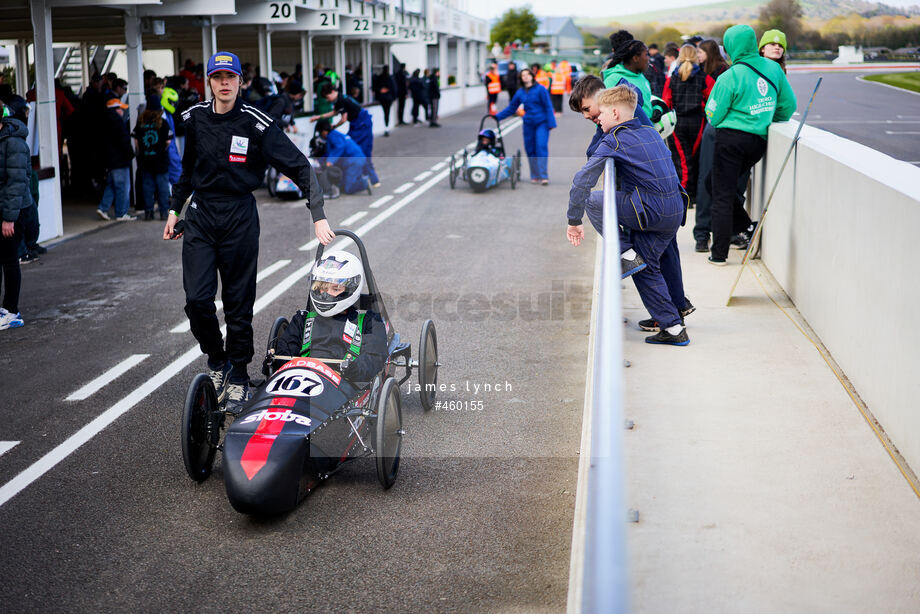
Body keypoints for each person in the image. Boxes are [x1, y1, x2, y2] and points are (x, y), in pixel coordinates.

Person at [163, 51, 333, 413]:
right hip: (202, 215)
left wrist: (317, 214)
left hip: (239, 216)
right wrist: (176, 210)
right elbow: (187, 171)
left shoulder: (257, 123)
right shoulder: (193, 119)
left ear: (241, 82)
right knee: (197, 301)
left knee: (238, 305)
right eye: (217, 76)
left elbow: (300, 166)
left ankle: (239, 375)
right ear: (208, 82)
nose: (224, 83)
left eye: (231, 76)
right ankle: (218, 360)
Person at [567, 86, 690, 346]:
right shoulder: (650, 131)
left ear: (614, 112)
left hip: (652, 212)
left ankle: (624, 253)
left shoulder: (615, 139)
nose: (598, 118)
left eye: (601, 114)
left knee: (593, 199)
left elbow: (582, 181)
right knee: (646, 267)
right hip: (675, 211)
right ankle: (674, 328)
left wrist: (574, 221)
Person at [705, 25, 797, 265]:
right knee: (711, 183)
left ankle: (719, 254)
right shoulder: (773, 69)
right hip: (758, 142)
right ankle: (747, 226)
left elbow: (713, 115)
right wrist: (764, 118)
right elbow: (788, 106)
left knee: (722, 196)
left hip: (729, 141)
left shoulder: (729, 76)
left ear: (731, 48)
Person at [274, 250, 387, 383]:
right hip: (302, 381)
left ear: (351, 288)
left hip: (344, 385)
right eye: (322, 288)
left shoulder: (369, 322)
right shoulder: (302, 319)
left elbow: (373, 359)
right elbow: (283, 357)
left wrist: (353, 369)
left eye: (335, 289)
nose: (325, 295)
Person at [693, 39, 732, 252]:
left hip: (724, 131)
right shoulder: (700, 72)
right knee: (705, 181)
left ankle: (729, 233)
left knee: (726, 185)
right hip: (707, 130)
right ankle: (701, 234)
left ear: (709, 52)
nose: (698, 55)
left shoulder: (725, 72)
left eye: (701, 51)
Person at [662, 44, 715, 204]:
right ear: (695, 56)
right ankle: (698, 196)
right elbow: (714, 99)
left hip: (677, 123)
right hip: (698, 122)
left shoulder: (671, 79)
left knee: (682, 161)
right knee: (697, 159)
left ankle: (685, 197)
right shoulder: (704, 78)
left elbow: (666, 103)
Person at [311, 83, 380, 187]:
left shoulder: (341, 100)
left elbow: (343, 119)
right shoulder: (341, 98)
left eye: (327, 97)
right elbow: (334, 112)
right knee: (354, 149)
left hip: (362, 125)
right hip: (356, 124)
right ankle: (360, 177)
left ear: (333, 92)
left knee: (362, 151)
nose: (328, 100)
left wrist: (332, 127)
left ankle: (373, 180)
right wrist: (318, 117)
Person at [494, 67, 556, 185]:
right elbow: (512, 108)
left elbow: (548, 106)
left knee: (541, 147)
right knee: (530, 149)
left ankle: (543, 176)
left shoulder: (541, 89)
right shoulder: (520, 92)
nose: (526, 76)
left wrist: (551, 123)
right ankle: (535, 175)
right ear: (521, 78)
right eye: (523, 75)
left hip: (541, 122)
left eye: (528, 74)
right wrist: (497, 117)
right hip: (528, 123)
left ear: (532, 76)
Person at [0, 99, 28, 330]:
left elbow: (17, 181)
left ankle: (11, 310)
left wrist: (9, 217)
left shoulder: (13, 142)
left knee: (9, 260)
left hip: (12, 211)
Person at [132, 103, 174, 221]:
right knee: (163, 189)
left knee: (147, 188)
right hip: (160, 162)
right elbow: (168, 142)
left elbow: (135, 141)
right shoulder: (163, 123)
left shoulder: (141, 123)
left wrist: (142, 151)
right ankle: (163, 212)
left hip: (146, 161)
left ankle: (149, 212)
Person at [96, 97, 135, 221]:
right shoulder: (118, 123)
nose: (122, 112)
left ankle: (103, 207)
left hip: (110, 161)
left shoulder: (103, 122)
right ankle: (121, 213)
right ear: (115, 109)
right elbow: (124, 142)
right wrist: (131, 155)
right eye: (120, 109)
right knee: (122, 187)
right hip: (120, 160)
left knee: (112, 185)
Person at [603, 31, 655, 122]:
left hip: (647, 133)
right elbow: (603, 112)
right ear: (635, 58)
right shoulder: (613, 79)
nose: (648, 59)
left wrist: (658, 108)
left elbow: (648, 102)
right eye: (646, 54)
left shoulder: (641, 76)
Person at [314, 119, 369, 194]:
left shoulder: (332, 136)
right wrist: (318, 161)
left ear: (324, 131)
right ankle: (358, 179)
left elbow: (339, 147)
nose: (321, 135)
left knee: (348, 188)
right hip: (357, 159)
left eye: (320, 133)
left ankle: (364, 183)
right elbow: (329, 153)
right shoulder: (335, 134)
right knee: (343, 185)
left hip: (354, 161)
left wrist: (330, 162)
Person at [372, 65, 396, 135]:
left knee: (385, 113)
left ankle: (386, 127)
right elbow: (394, 88)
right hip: (387, 98)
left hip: (383, 98)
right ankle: (386, 128)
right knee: (387, 113)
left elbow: (374, 87)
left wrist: (380, 90)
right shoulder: (389, 78)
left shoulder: (381, 78)